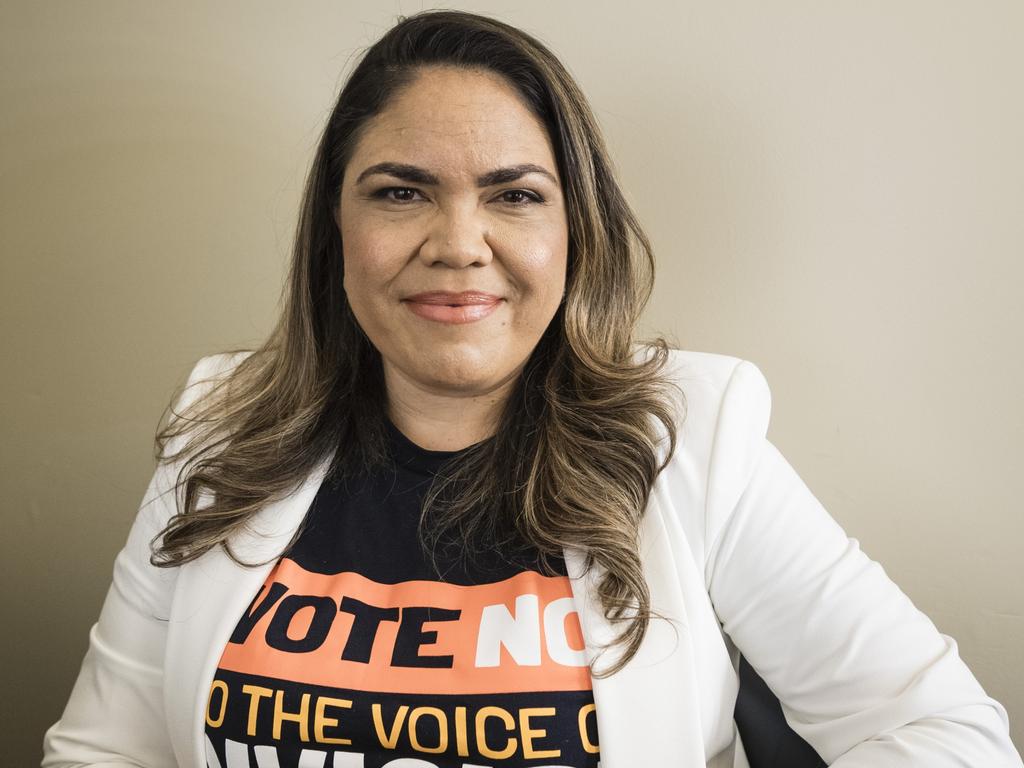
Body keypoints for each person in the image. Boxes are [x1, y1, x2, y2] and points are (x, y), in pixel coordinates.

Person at [42, 9, 1022, 768]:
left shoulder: (691, 441)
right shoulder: (217, 433)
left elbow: (948, 734)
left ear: (573, 234)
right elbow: (107, 748)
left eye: (514, 195)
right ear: (333, 233)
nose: (460, 244)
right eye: (400, 191)